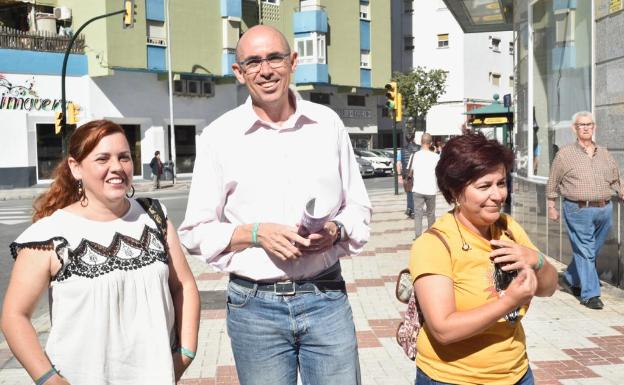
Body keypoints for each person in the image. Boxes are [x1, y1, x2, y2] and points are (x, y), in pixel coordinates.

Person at [178, 25, 371, 385]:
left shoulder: (327, 124)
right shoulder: (218, 137)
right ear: (239, 72)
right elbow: (195, 231)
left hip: (325, 296)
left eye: (274, 58)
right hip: (255, 307)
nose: (265, 70)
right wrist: (255, 234)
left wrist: (336, 230)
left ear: (293, 61)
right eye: (253, 62)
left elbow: (358, 208)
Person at [1, 120, 200, 385]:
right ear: (76, 167)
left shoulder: (154, 216)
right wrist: (49, 379)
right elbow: (15, 316)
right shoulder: (49, 234)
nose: (116, 167)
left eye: (124, 157)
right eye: (102, 158)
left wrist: (185, 352)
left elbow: (183, 285)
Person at [409, 132, 558, 384]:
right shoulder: (435, 244)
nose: (498, 195)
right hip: (453, 378)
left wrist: (536, 260)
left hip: (517, 373)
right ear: (455, 191)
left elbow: (549, 288)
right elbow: (443, 329)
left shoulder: (507, 227)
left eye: (501, 183)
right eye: (484, 186)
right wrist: (508, 301)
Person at [546, 111, 624, 310]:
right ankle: (590, 295)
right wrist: (551, 206)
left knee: (589, 250)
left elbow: (615, 178)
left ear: (594, 127)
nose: (586, 127)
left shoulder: (604, 153)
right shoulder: (565, 154)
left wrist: (621, 191)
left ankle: (571, 277)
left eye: (589, 124)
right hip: (577, 209)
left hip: (604, 209)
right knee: (586, 251)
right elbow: (553, 181)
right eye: (582, 125)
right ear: (575, 129)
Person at [410, 133, 440, 239]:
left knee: (418, 213)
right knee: (431, 213)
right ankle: (431, 236)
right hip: (431, 189)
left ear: (421, 142)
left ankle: (418, 236)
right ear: (431, 143)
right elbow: (439, 172)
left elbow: (410, 172)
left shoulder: (415, 155)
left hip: (418, 189)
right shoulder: (436, 157)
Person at [398, 132, 419, 218]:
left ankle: (409, 208)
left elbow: (398, 163)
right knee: (416, 192)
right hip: (417, 172)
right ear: (414, 138)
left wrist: (399, 174)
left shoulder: (402, 150)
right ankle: (413, 210)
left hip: (406, 173)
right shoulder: (419, 148)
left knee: (409, 191)